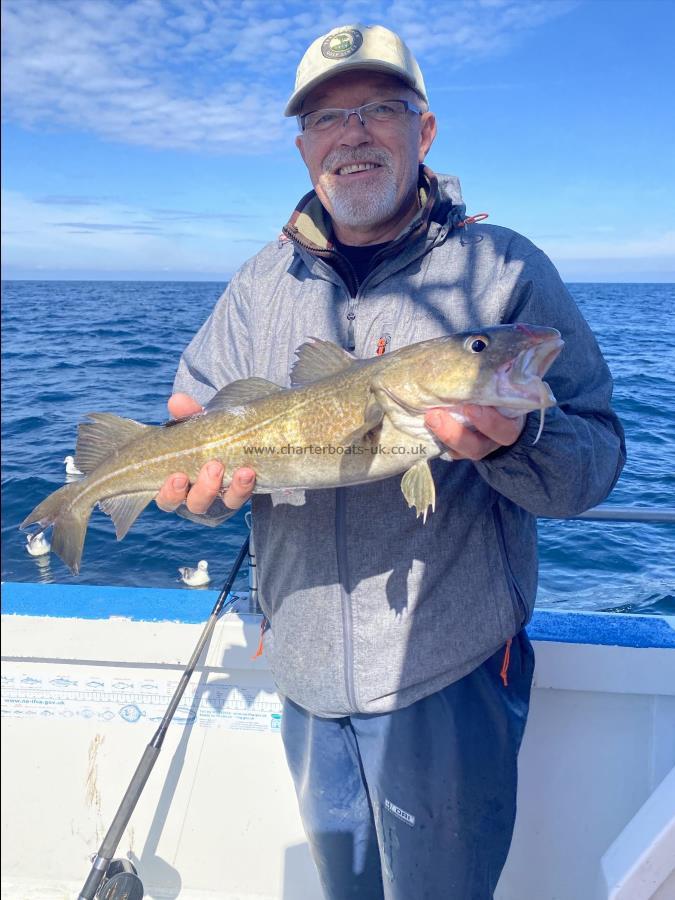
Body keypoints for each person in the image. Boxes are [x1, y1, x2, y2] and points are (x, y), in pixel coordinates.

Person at [156, 23, 625, 899]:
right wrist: (199, 494)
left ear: (425, 130)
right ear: (303, 148)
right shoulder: (257, 284)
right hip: (300, 676)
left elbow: (594, 463)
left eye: (381, 109)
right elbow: (196, 424)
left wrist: (522, 439)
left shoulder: (503, 268)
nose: (353, 133)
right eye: (327, 119)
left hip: (445, 677)